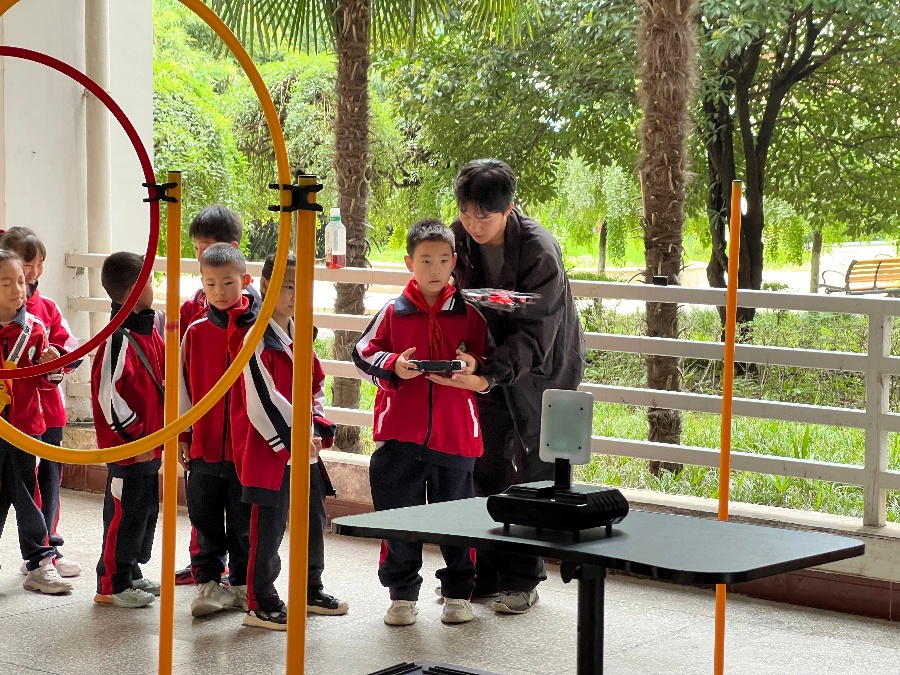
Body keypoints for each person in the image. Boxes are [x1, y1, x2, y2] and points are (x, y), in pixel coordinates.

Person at [444, 159, 586, 615]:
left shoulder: (538, 250)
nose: (473, 225)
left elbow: (537, 333)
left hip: (544, 371)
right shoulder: (457, 239)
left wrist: (490, 372)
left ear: (508, 209)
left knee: (532, 475)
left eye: (484, 216)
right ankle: (484, 573)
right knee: (483, 465)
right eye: (466, 213)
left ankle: (523, 580)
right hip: (486, 367)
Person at [353, 219, 491, 627]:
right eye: (426, 260)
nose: (435, 269)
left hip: (456, 436)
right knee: (398, 519)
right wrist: (395, 365)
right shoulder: (392, 311)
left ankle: (458, 593)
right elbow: (362, 353)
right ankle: (402, 595)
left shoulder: (470, 313)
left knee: (458, 520)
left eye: (444, 260)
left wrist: (472, 363)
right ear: (409, 262)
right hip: (399, 438)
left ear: (455, 262)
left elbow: (490, 358)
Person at [233, 252, 348, 630]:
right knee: (268, 528)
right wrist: (296, 438)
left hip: (305, 448)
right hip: (271, 452)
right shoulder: (256, 339)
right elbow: (261, 401)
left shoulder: (300, 334)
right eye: (287, 286)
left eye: (302, 287)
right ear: (266, 286)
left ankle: (309, 588)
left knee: (312, 520)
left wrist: (315, 427)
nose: (295, 295)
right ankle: (260, 601)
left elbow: (315, 385)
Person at [0, 227, 84, 579]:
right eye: (25, 266)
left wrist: (54, 360)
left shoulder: (43, 312)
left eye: (37, 266)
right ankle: (40, 553)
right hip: (10, 420)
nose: (31, 275)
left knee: (44, 483)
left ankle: (46, 550)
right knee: (18, 486)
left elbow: (70, 351)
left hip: (43, 414)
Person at [179, 243, 257, 617]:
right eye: (210, 284)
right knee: (204, 519)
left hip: (246, 450)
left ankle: (241, 586)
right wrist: (183, 435)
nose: (219, 292)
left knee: (244, 524)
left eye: (228, 283)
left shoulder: (259, 331)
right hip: (204, 447)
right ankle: (209, 583)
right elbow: (183, 389)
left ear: (245, 281)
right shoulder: (194, 332)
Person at [91, 252, 164, 608]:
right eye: (149, 281)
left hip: (150, 446)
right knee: (123, 514)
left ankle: (131, 570)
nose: (154, 287)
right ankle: (112, 582)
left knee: (143, 512)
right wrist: (136, 439)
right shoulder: (117, 339)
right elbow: (109, 397)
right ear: (134, 290)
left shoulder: (149, 331)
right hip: (130, 450)